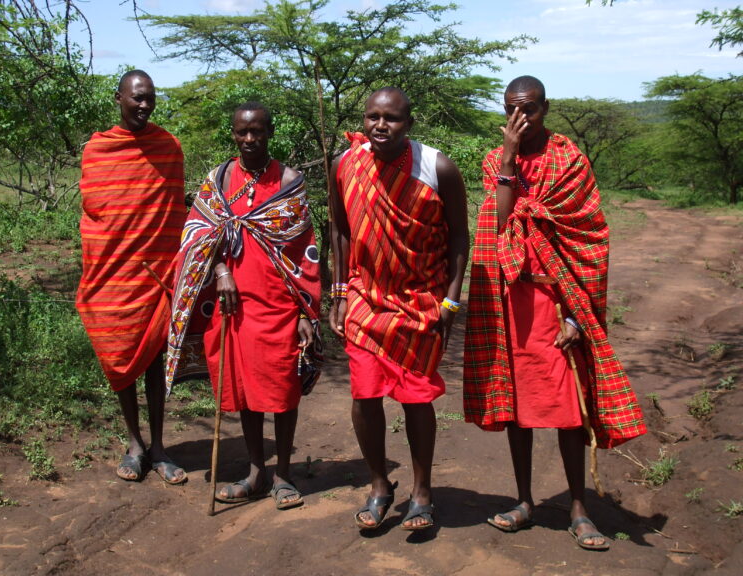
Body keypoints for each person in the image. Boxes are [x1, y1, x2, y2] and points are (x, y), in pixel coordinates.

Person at [463, 75, 646, 550]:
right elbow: (503, 221)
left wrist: (573, 318)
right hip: (510, 300)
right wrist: (507, 157)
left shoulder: (569, 161)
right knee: (519, 407)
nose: (519, 119)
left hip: (559, 300)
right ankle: (524, 501)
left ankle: (579, 509)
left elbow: (589, 239)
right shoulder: (495, 160)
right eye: (510, 110)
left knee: (567, 409)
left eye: (528, 110)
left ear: (547, 107)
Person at [166, 102, 322, 510]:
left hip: (279, 305)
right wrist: (220, 270)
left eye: (257, 131)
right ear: (233, 133)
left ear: (270, 132)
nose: (249, 139)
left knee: (282, 389)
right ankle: (256, 472)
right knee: (245, 390)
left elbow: (305, 250)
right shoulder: (218, 179)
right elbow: (198, 232)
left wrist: (306, 312)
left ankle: (284, 475)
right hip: (232, 305)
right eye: (242, 132)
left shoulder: (290, 181)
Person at [329, 87, 469, 531]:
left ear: (409, 123)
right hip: (366, 299)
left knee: (416, 399)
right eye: (372, 117)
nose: (379, 126)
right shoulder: (345, 165)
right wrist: (338, 292)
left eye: (391, 118)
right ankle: (378, 485)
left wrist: (450, 299)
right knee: (364, 396)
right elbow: (340, 230)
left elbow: (459, 237)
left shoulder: (437, 167)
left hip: (420, 303)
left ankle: (422, 491)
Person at [76, 70, 187, 484]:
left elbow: (175, 209)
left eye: (150, 98)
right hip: (113, 273)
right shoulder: (98, 149)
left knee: (154, 361)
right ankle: (134, 442)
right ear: (119, 98)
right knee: (119, 356)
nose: (144, 105)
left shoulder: (168, 146)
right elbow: (95, 211)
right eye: (136, 98)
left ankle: (159, 446)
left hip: (156, 273)